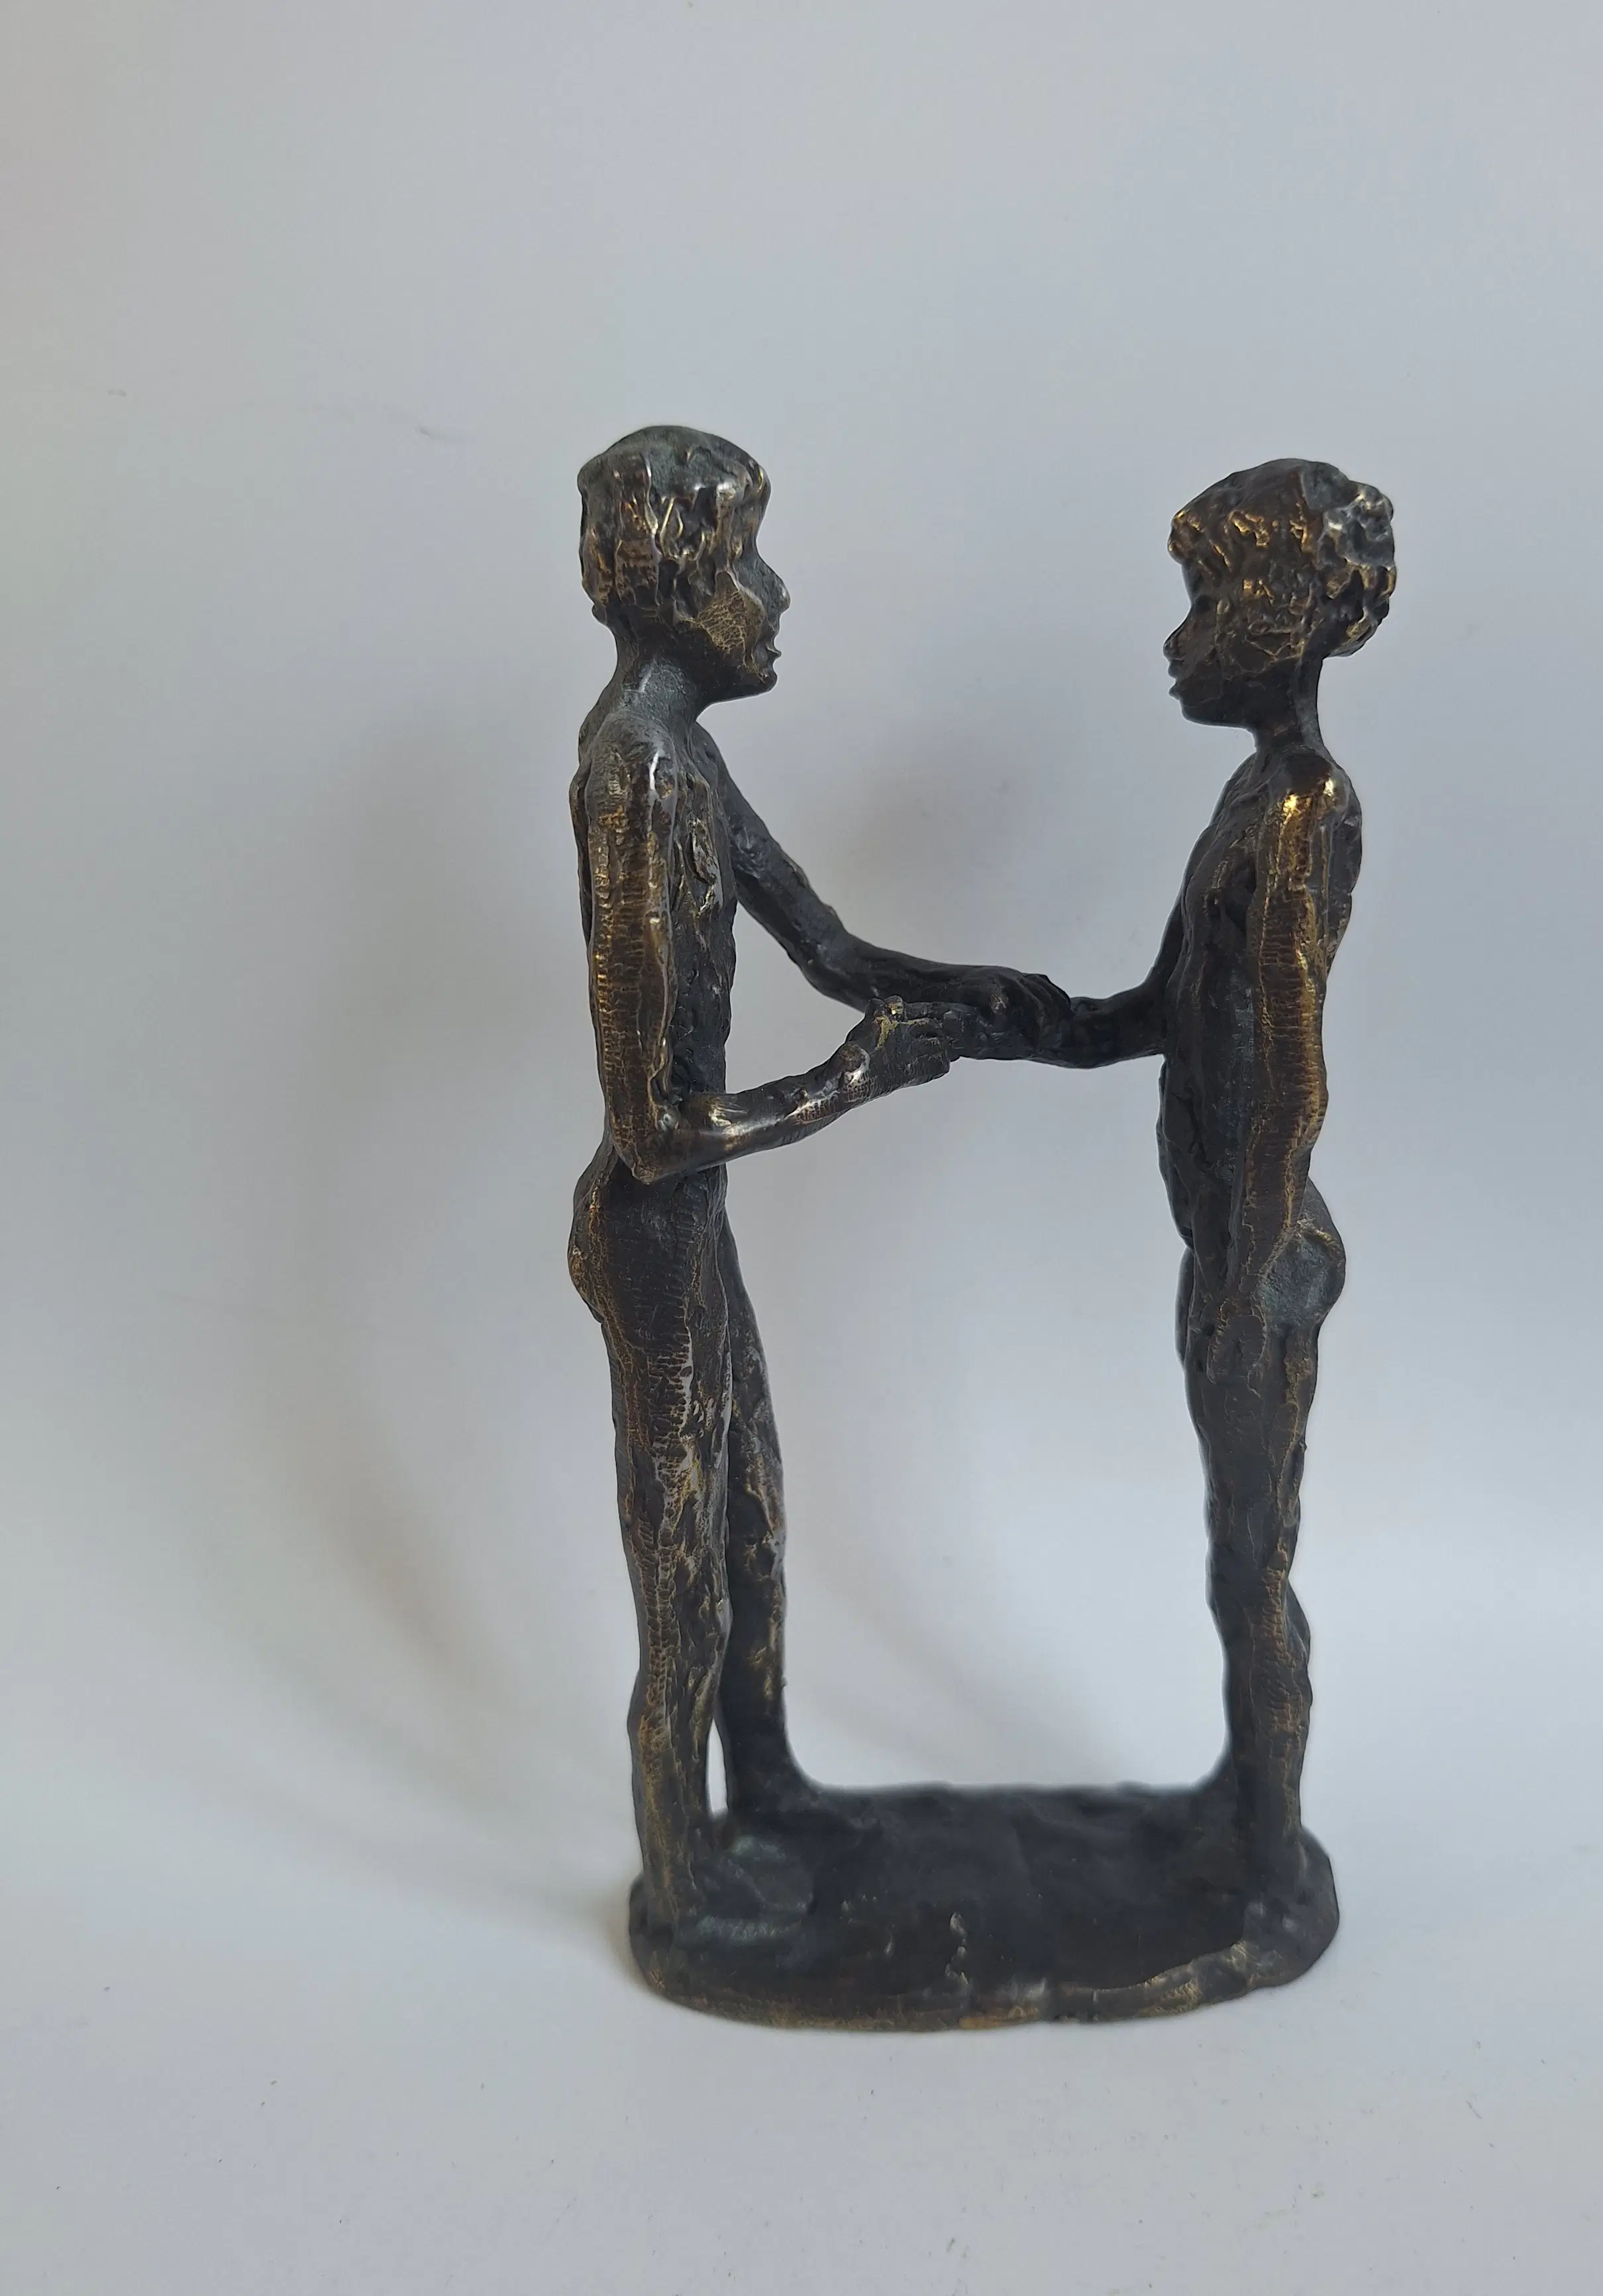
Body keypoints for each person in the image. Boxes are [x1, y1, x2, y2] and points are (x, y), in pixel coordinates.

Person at [568, 425, 1060, 1940]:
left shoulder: (687, 759)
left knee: (753, 1520)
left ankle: (768, 1788)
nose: (773, 595)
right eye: (745, 562)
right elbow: (654, 1125)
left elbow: (831, 946)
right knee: (686, 1568)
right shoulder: (634, 778)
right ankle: (689, 1867)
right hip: (656, 1224)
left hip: (688, 1222)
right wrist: (862, 1076)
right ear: (676, 581)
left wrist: (998, 1000)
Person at [1041, 459, 1394, 1920]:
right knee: (1232, 1547)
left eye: (1203, 602)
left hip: (1262, 1254)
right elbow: (1160, 1010)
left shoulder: (1306, 806)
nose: (1179, 640)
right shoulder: (1252, 799)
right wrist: (987, 1012)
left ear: (1283, 612)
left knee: (1255, 1558)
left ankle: (1265, 1851)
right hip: (1227, 1245)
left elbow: (1294, 1076)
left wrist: (1249, 1277)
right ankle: (1245, 1801)